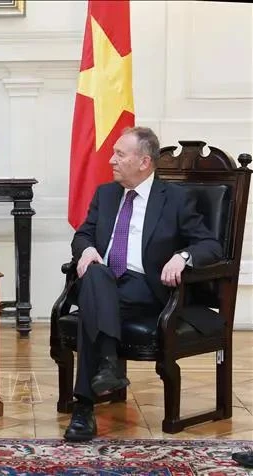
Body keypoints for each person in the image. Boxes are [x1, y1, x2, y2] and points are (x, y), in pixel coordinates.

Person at [64, 126, 222, 442]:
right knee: (96, 275)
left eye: (119, 154)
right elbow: (83, 234)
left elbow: (210, 245)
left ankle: (84, 408)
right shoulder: (105, 194)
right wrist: (87, 249)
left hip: (146, 288)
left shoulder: (175, 199)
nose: (111, 160)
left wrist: (183, 257)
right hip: (104, 280)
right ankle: (107, 366)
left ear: (144, 162)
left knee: (93, 299)